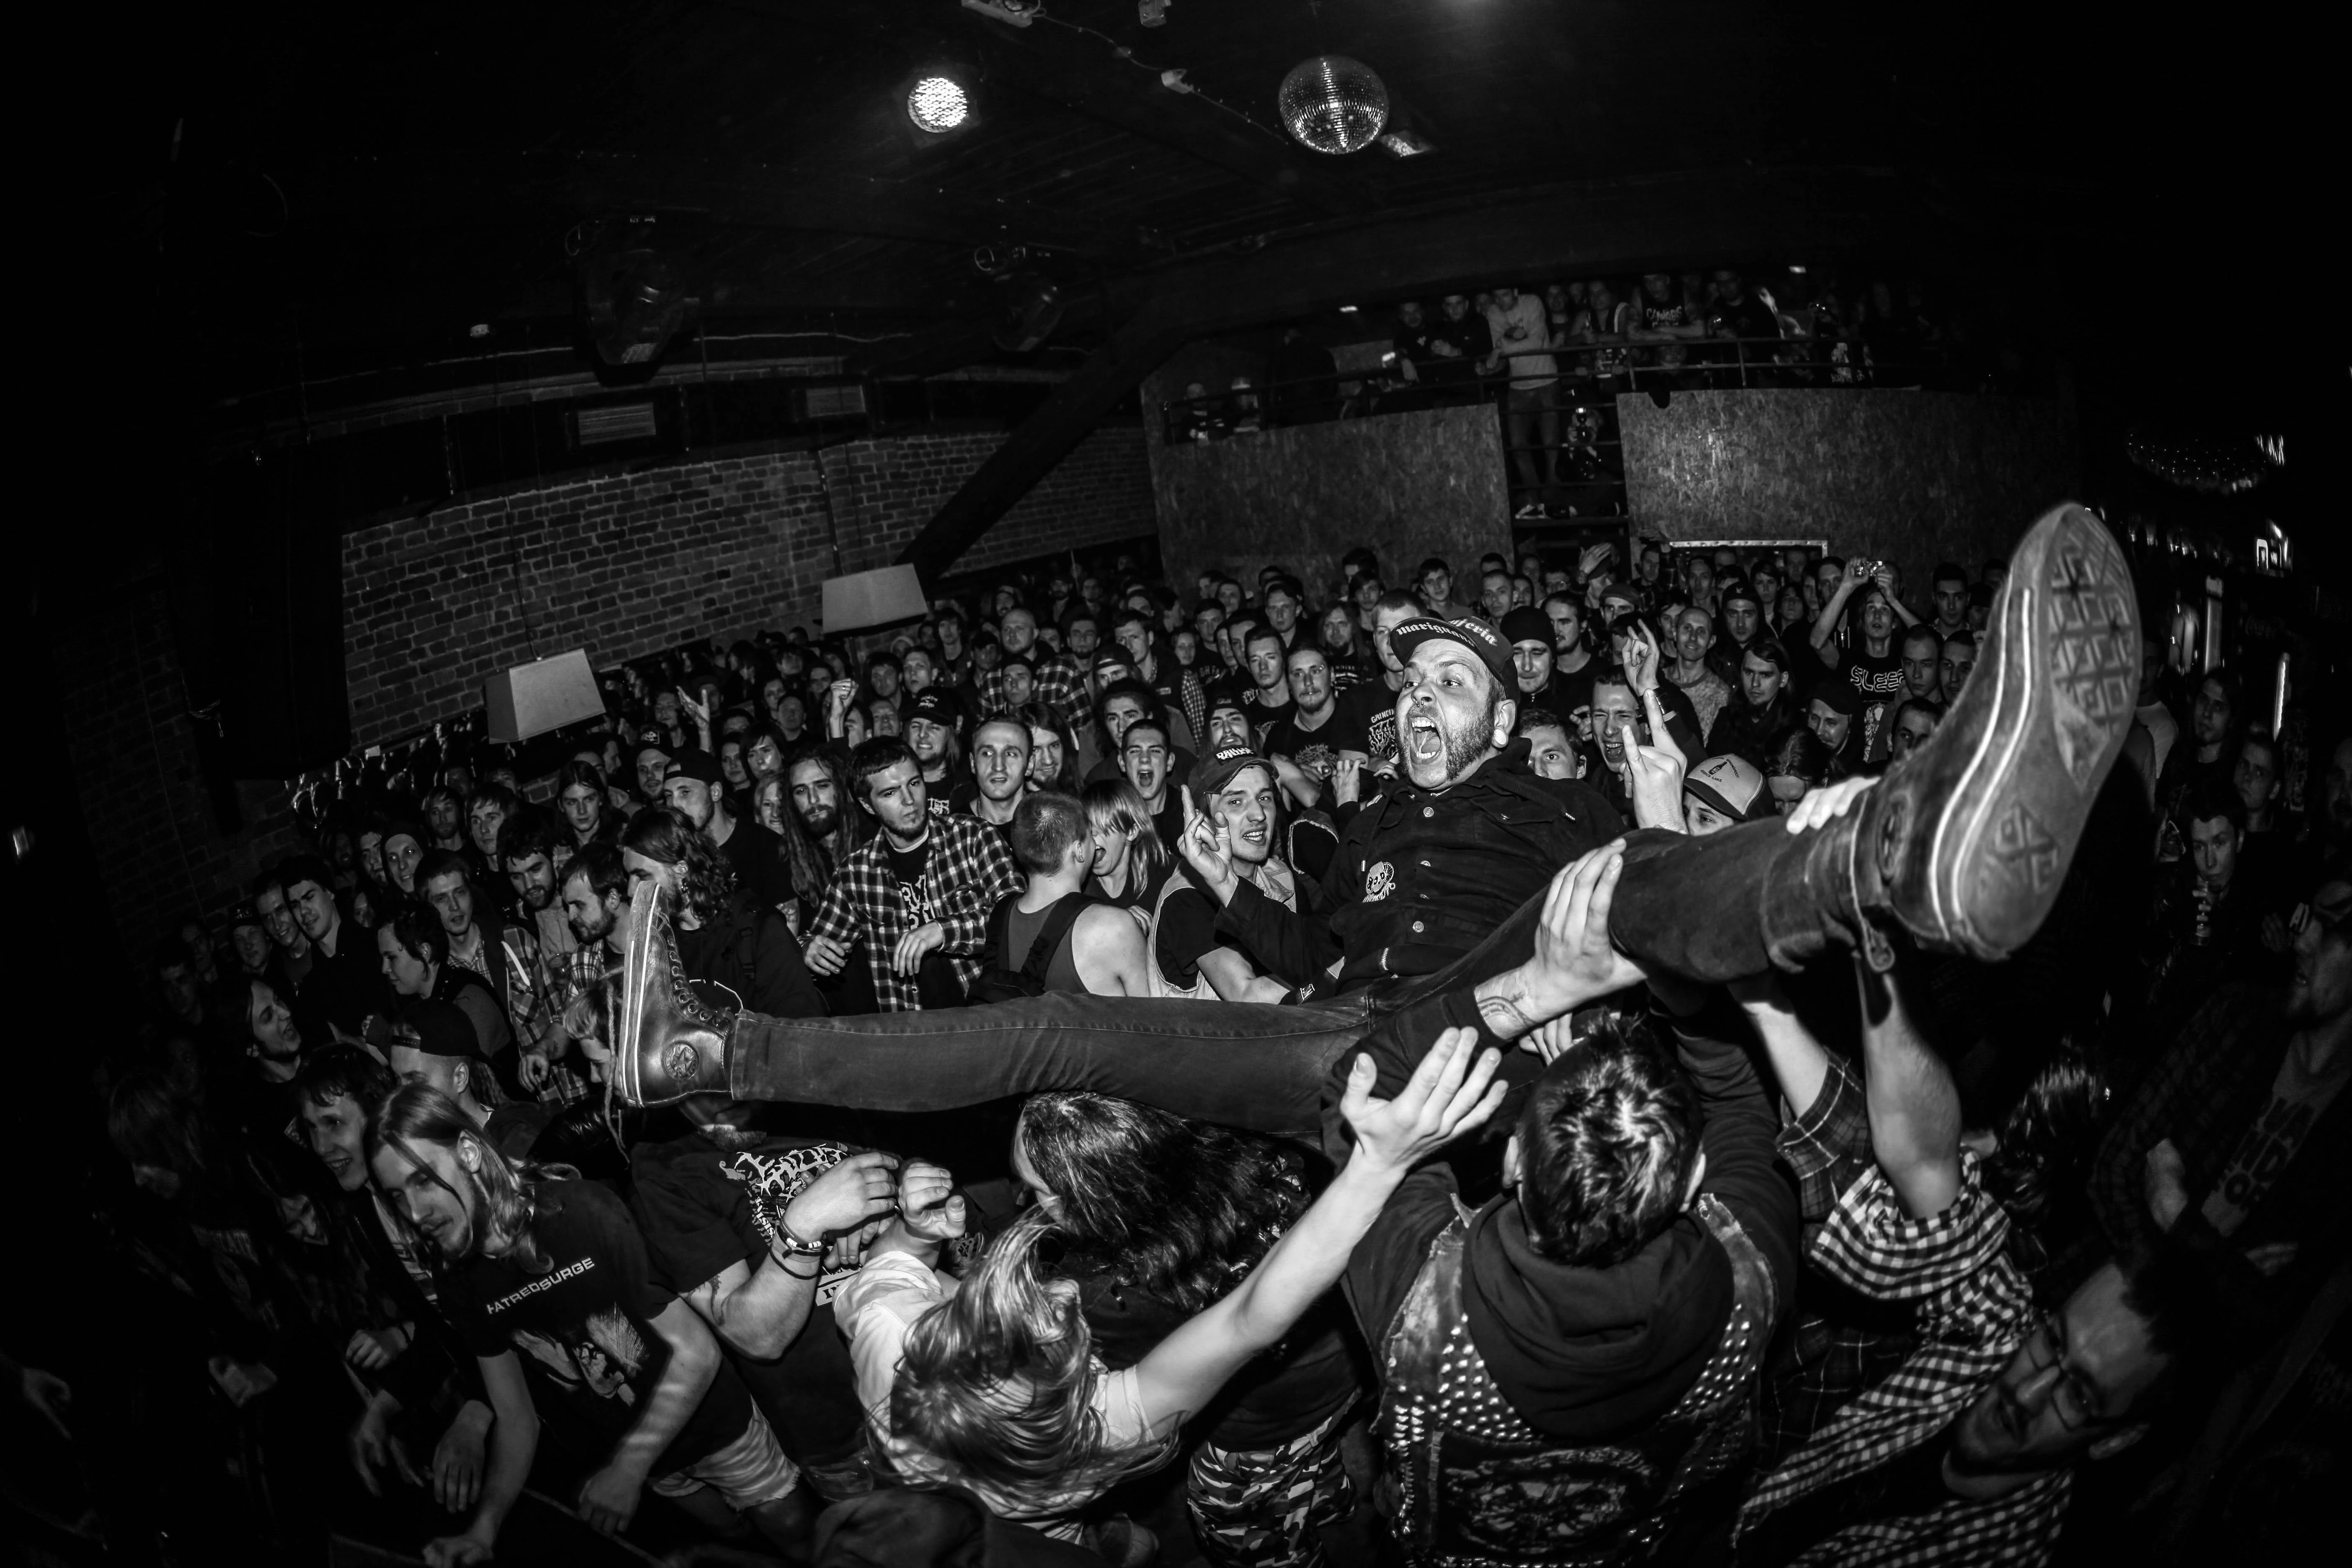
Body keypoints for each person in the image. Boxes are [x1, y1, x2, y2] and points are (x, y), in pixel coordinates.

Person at [831, 1029, 1506, 1543]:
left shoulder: (887, 1326)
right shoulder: (1100, 1431)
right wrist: (1376, 1168)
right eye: (1056, 1334)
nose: (1061, 1295)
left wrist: (915, 1239)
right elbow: (1251, 1319)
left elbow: (879, 1277)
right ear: (1064, 1401)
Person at [1731, 949, 2208, 1565]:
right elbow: (1920, 1163)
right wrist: (1840, 957)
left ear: (2117, 1441)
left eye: (2081, 1397)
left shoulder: (2007, 1552)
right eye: (2053, 1342)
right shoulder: (2003, 1326)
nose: (2029, 1391)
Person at [368, 1084, 820, 1565]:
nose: (415, 1214)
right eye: (397, 1196)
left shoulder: (578, 1212)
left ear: (468, 1152)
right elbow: (517, 1417)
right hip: (655, 1466)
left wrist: (627, 1467)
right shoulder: (455, 1278)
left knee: (798, 1538)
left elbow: (697, 1354)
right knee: (735, 1541)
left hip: (716, 1429)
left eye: (422, 1181)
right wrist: (483, 1531)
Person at [1013, 1091, 1370, 1566]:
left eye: (1040, 1188)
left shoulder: (1108, 1294)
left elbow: (1131, 1397)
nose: (1028, 1201)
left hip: (1258, 1431)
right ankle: (1328, 1502)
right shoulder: (1269, 1150)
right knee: (1311, 1458)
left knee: (1242, 1532)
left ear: (1099, 1196)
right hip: (1345, 1370)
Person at [628, 1096, 901, 1504]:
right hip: (843, 1433)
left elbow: (931, 1201)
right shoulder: (667, 1169)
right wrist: (804, 1225)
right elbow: (757, 1336)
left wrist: (891, 1205)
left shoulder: (821, 1100)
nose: (721, 1096)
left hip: (932, 1381)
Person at [802, 738, 1023, 1012]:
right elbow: (818, 942)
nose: (909, 800)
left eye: (914, 784)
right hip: (911, 1035)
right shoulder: (856, 874)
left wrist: (942, 931)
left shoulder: (974, 837)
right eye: (890, 793)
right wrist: (807, 949)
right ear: (867, 805)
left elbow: (1018, 920)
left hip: (985, 1018)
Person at [621, 807, 825, 1021]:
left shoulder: (757, 930)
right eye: (629, 877)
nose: (631, 890)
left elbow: (802, 1030)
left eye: (641, 876)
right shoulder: (657, 943)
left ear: (681, 870)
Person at [418, 850, 575, 1103]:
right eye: (441, 899)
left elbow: (563, 1019)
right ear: (428, 908)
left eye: (460, 892)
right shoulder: (437, 978)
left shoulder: (515, 942)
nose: (454, 907)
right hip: (497, 1114)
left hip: (551, 1098)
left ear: (471, 893)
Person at [989, 793, 1153, 997]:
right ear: (1078, 850)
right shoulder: (1115, 928)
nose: (1094, 844)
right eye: (1090, 836)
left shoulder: (1000, 915)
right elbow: (1153, 1021)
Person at [663, 750, 797, 915]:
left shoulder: (765, 846)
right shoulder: (674, 854)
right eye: (669, 795)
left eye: (685, 792)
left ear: (715, 792)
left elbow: (787, 926)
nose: (675, 804)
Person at [1810, 560, 1916, 763]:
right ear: (1863, 619)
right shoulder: (1849, 659)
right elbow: (1817, 642)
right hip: (1854, 763)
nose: (1877, 615)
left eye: (1884, 610)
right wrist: (1846, 587)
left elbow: (1931, 642)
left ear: (1894, 623)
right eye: (1871, 609)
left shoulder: (1907, 660)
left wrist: (1893, 600)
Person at [280, 854, 391, 1039]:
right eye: (295, 905)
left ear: (330, 892)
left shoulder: (378, 947)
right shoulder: (311, 990)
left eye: (309, 898)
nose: (303, 912)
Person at [1260, 645, 1351, 811]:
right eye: (1298, 674)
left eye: (1316, 671)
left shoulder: (1356, 721)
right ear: (1289, 684)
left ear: (1332, 675)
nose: (1308, 682)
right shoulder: (1278, 738)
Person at [1082, 777, 1172, 915]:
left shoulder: (1165, 875)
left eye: (1101, 824)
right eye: (1087, 826)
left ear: (1131, 832)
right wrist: (1121, 924)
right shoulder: (1075, 882)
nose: (1092, 834)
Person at [957, 714, 1031, 848]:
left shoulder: (1051, 824)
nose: (998, 766)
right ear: (973, 764)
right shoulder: (954, 831)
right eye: (987, 754)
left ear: (1030, 764)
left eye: (1010, 754)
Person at [1667, 602, 1734, 744]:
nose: (1693, 637)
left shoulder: (1721, 695)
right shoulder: (1655, 681)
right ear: (1675, 633)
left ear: (1712, 641)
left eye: (1701, 631)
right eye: (1687, 628)